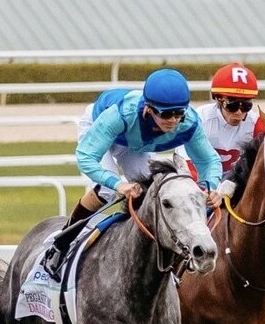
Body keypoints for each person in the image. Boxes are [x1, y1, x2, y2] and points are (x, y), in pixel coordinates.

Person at [40, 68, 223, 280]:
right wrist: (118, 184)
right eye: (165, 114)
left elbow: (209, 161)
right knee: (107, 191)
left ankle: (155, 258)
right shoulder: (122, 114)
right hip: (101, 129)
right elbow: (85, 156)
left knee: (150, 192)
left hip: (136, 144)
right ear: (148, 109)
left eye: (178, 113)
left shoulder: (189, 123)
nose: (173, 121)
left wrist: (211, 188)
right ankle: (61, 244)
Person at [197, 63, 265, 196]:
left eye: (246, 105)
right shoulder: (200, 118)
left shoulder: (256, 124)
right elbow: (188, 167)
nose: (239, 112)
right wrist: (208, 191)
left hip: (236, 189)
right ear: (218, 100)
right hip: (200, 188)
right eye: (232, 105)